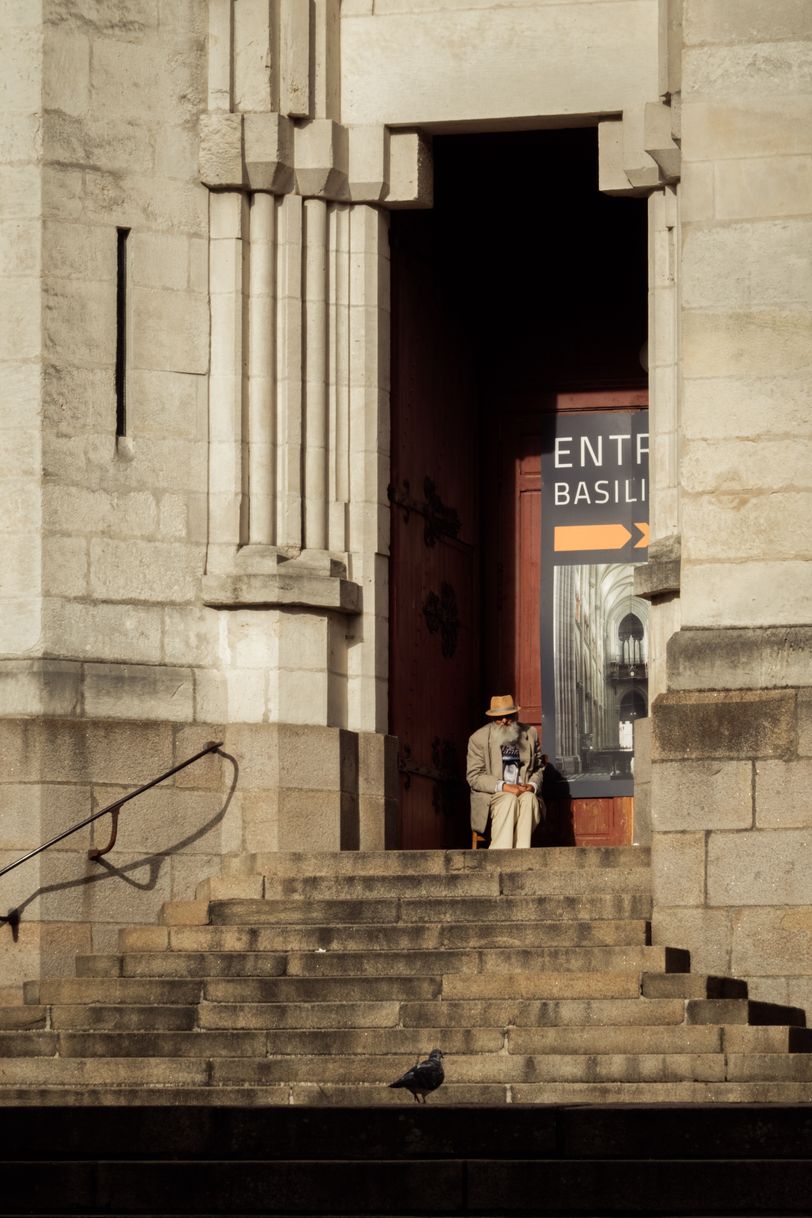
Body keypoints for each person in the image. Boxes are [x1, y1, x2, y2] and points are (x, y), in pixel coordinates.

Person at [467, 694, 543, 849]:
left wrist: (532, 785)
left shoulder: (530, 733)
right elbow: (474, 776)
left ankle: (522, 854)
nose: (504, 721)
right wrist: (504, 786)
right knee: (509, 800)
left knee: (529, 799)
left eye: (508, 716)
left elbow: (538, 768)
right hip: (493, 795)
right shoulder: (478, 738)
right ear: (492, 718)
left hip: (523, 790)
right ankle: (500, 856)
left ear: (515, 715)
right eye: (498, 718)